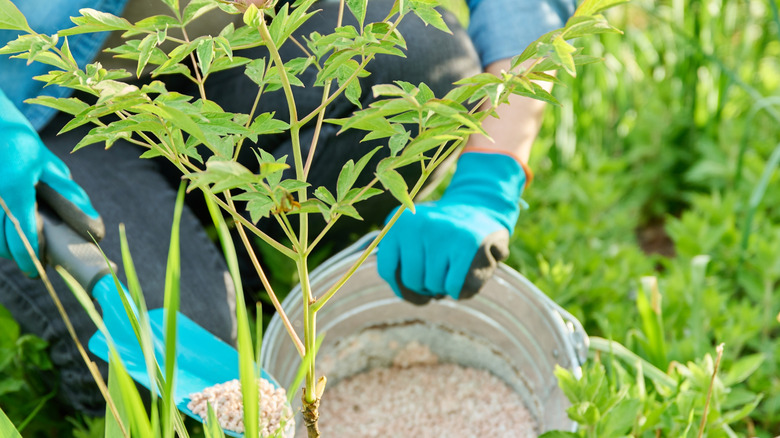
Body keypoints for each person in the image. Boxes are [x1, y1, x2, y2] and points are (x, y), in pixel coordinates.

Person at [0, 0, 574, 414]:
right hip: (41, 109)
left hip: (236, 60)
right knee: (193, 397)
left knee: (422, 66)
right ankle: (176, 245)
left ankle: (221, 229)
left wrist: (487, 182)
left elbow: (523, 10)